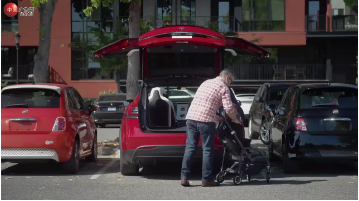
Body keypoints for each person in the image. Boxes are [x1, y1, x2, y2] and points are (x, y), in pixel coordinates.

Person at [180, 69, 242, 187]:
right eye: (232, 82)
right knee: (207, 149)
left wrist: (218, 118)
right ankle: (206, 179)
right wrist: (234, 119)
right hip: (205, 122)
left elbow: (205, 104)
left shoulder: (206, 83)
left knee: (190, 148)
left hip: (191, 118)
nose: (230, 84)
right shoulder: (224, 88)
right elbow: (228, 109)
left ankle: (184, 178)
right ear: (227, 78)